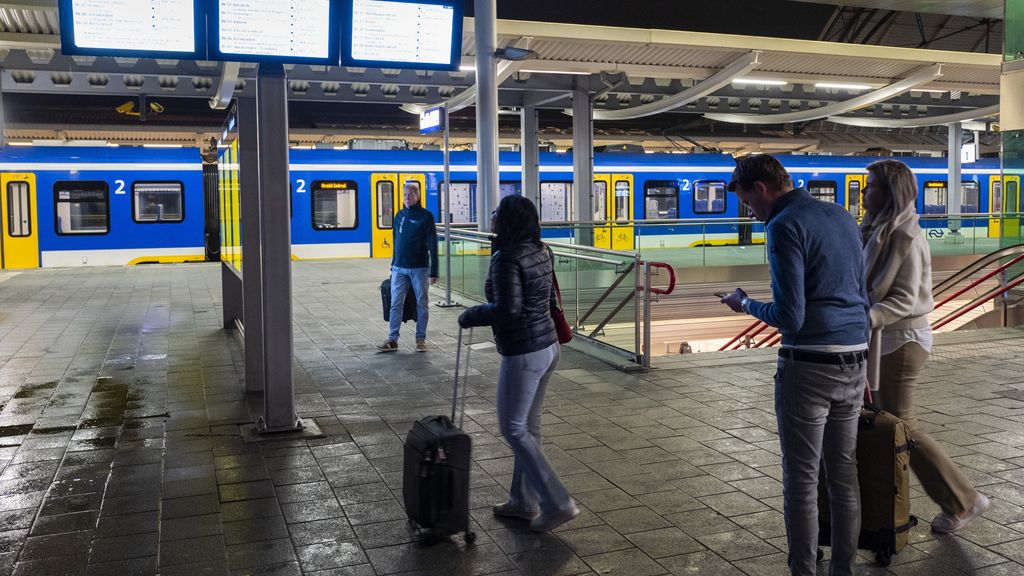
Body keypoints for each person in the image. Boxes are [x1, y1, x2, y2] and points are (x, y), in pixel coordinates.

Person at [719, 154, 868, 576]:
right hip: (855, 358)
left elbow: (791, 316)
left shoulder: (783, 226)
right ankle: (844, 569)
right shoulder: (841, 216)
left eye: (749, 203)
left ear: (761, 189)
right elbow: (863, 294)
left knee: (802, 480)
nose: (751, 212)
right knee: (843, 474)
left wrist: (744, 303)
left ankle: (802, 570)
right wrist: (866, 362)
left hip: (808, 366)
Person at [861, 159, 989, 533]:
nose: (864, 192)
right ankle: (935, 501)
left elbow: (908, 298)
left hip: (901, 340)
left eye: (871, 186)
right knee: (892, 425)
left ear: (890, 192)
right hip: (885, 340)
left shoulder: (906, 236)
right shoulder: (879, 230)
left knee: (902, 425)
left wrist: (866, 316)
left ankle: (965, 500)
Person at [458, 195, 578, 532]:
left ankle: (557, 502)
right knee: (529, 427)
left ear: (507, 220)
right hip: (548, 346)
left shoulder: (506, 257)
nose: (492, 216)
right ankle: (524, 501)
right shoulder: (543, 250)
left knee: (513, 427)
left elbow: (509, 309)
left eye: (496, 212)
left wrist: (471, 315)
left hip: (524, 351)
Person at [377, 182, 438, 353]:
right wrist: (392, 265)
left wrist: (434, 271)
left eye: (410, 194)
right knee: (396, 303)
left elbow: (433, 244)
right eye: (404, 194)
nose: (407, 198)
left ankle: (420, 339)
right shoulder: (399, 215)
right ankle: (392, 339)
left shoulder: (426, 216)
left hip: (419, 268)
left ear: (418, 196)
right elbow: (396, 241)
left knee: (422, 303)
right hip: (399, 268)